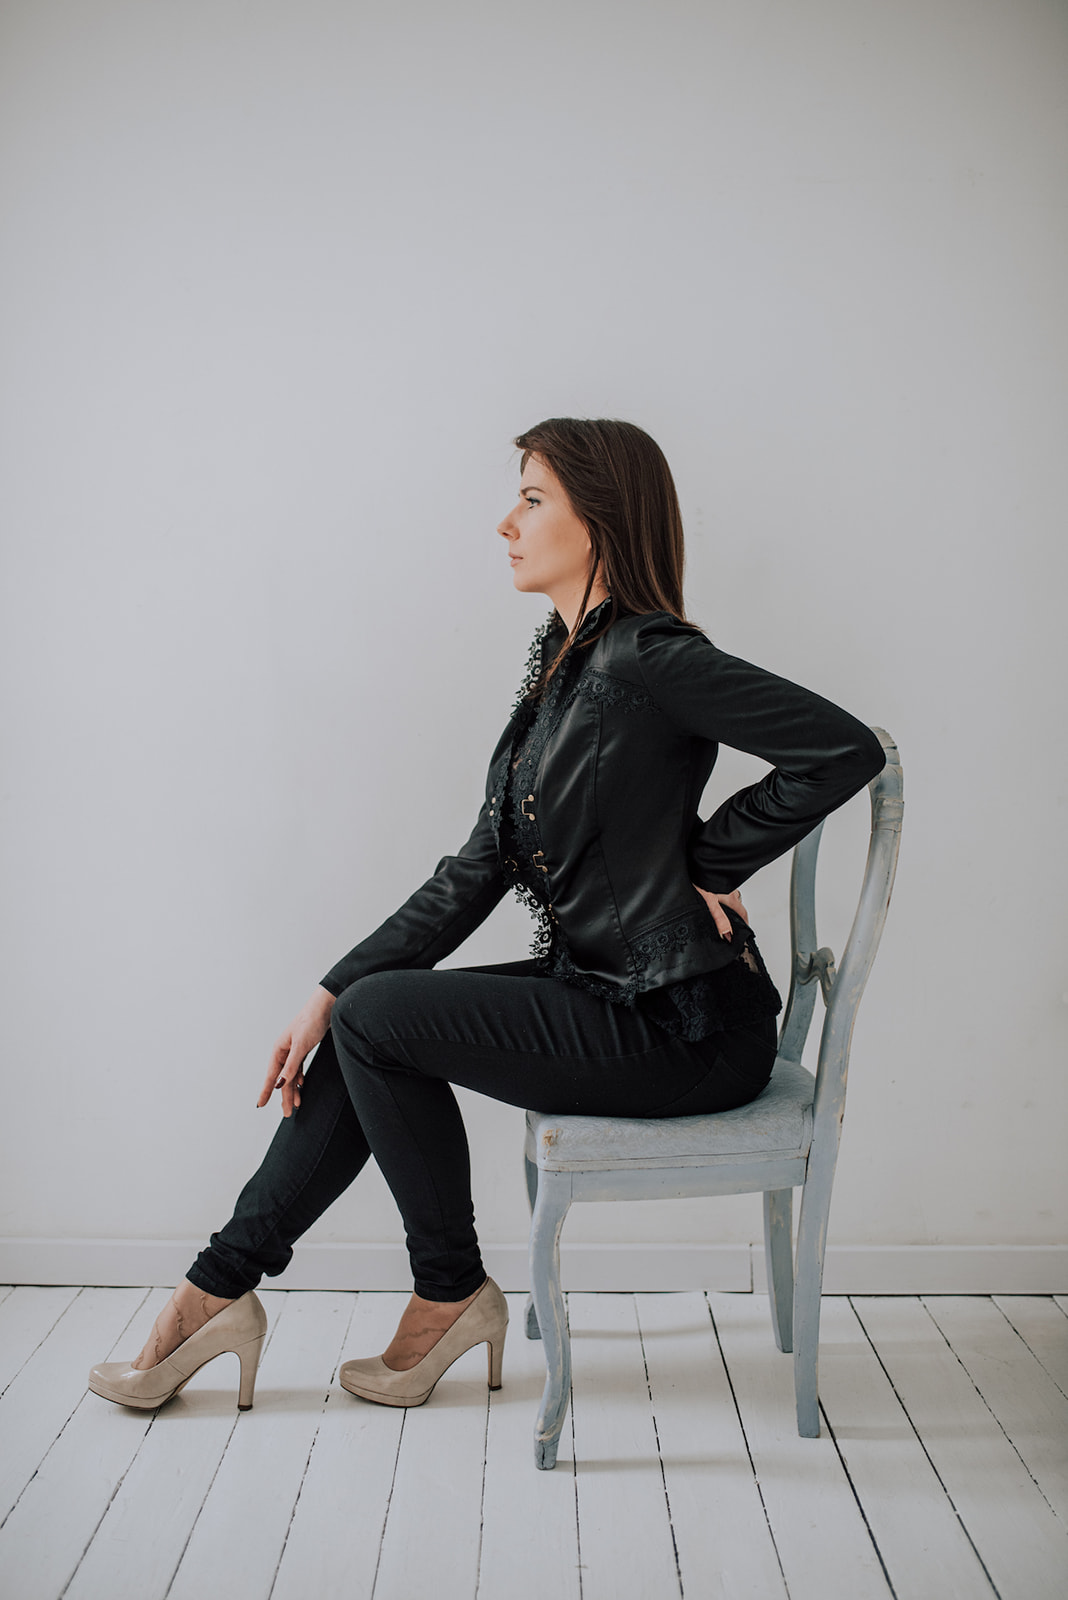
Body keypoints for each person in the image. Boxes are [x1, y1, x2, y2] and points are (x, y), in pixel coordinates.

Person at [88, 417, 885, 1413]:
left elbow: (843, 749)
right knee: (365, 1019)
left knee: (379, 1019)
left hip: (686, 1028)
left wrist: (707, 858)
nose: (506, 522)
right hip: (605, 991)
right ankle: (221, 1287)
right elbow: (475, 869)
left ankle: (438, 1291)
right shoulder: (564, 667)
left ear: (600, 520)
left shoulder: (649, 655)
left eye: (533, 498)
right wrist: (327, 990)